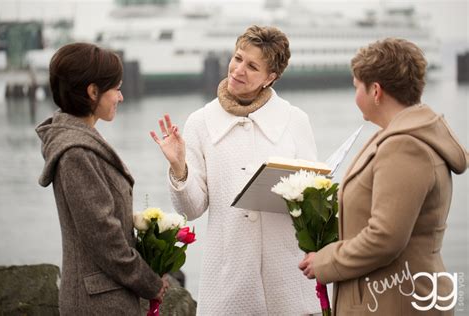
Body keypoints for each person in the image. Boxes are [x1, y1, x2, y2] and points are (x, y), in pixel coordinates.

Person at [150, 25, 321, 314]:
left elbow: (314, 201)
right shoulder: (200, 122)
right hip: (228, 282)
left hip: (288, 279)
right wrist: (179, 167)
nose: (238, 69)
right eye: (237, 58)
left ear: (271, 78)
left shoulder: (295, 120)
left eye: (252, 66)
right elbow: (191, 209)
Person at [298, 38, 468, 315]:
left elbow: (385, 238)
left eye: (356, 87)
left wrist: (325, 263)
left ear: (376, 91)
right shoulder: (399, 137)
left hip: (395, 302)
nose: (355, 97)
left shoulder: (404, 147)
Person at [36, 42, 167, 315]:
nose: (121, 97)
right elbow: (103, 236)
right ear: (92, 91)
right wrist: (149, 283)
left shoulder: (81, 142)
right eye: (116, 89)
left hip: (104, 297)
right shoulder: (76, 153)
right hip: (97, 303)